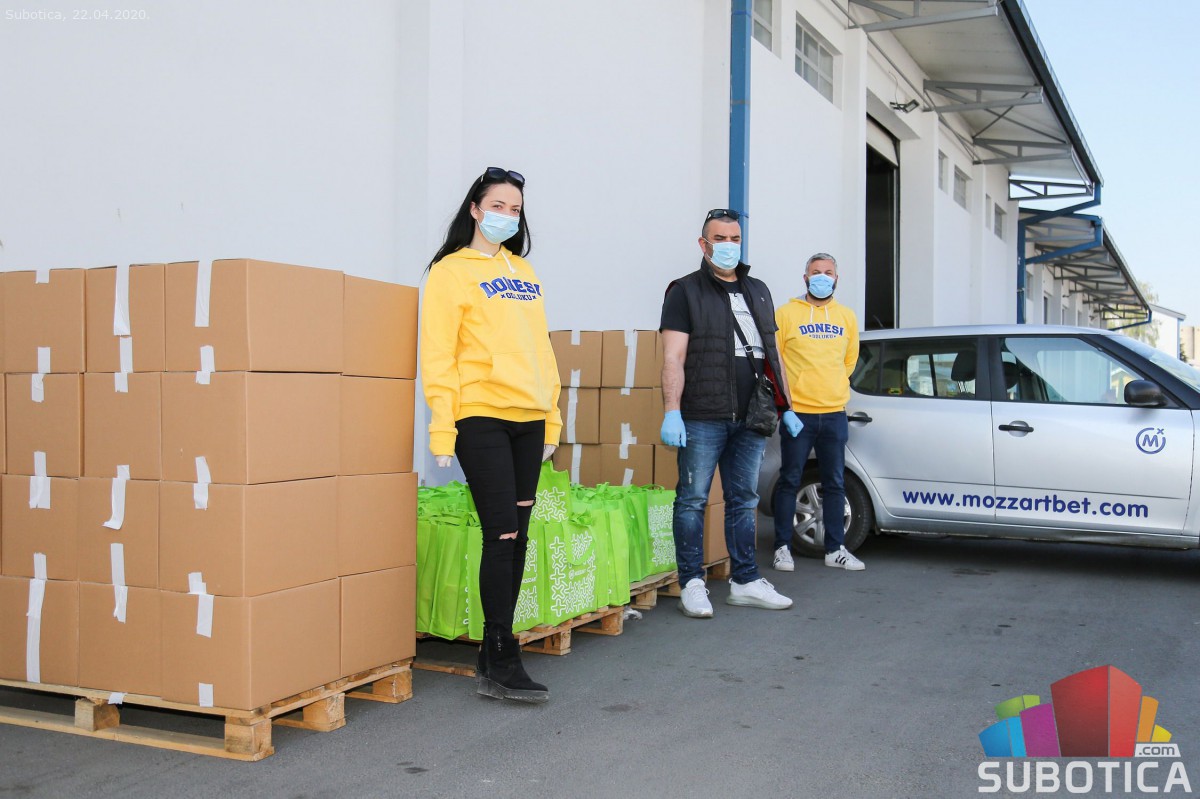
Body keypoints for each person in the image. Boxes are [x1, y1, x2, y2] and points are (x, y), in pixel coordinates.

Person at [420, 167, 561, 703]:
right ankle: (502, 656)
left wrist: (552, 419)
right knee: (501, 533)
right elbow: (438, 355)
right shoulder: (449, 272)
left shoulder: (524, 271)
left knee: (517, 535)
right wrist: (443, 429)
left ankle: (493, 653)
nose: (507, 215)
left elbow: (543, 350)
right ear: (475, 209)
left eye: (515, 209)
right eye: (498, 205)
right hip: (479, 415)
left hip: (529, 418)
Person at [658, 208, 802, 618]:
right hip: (703, 415)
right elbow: (673, 356)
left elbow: (772, 353)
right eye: (719, 239)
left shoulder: (758, 290)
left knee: (744, 500)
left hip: (752, 416)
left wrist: (787, 406)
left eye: (734, 239)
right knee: (692, 500)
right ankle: (691, 582)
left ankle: (745, 581)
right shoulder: (684, 291)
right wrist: (672, 411)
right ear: (703, 244)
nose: (728, 246)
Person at [772, 252, 864, 572]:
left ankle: (835, 549)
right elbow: (776, 361)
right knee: (789, 480)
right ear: (805, 278)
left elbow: (850, 361)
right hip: (798, 414)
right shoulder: (786, 314)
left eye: (828, 272)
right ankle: (782, 547)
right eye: (816, 272)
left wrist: (832, 388)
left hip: (834, 413)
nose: (822, 277)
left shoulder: (847, 317)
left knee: (835, 482)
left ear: (836, 279)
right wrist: (786, 407)